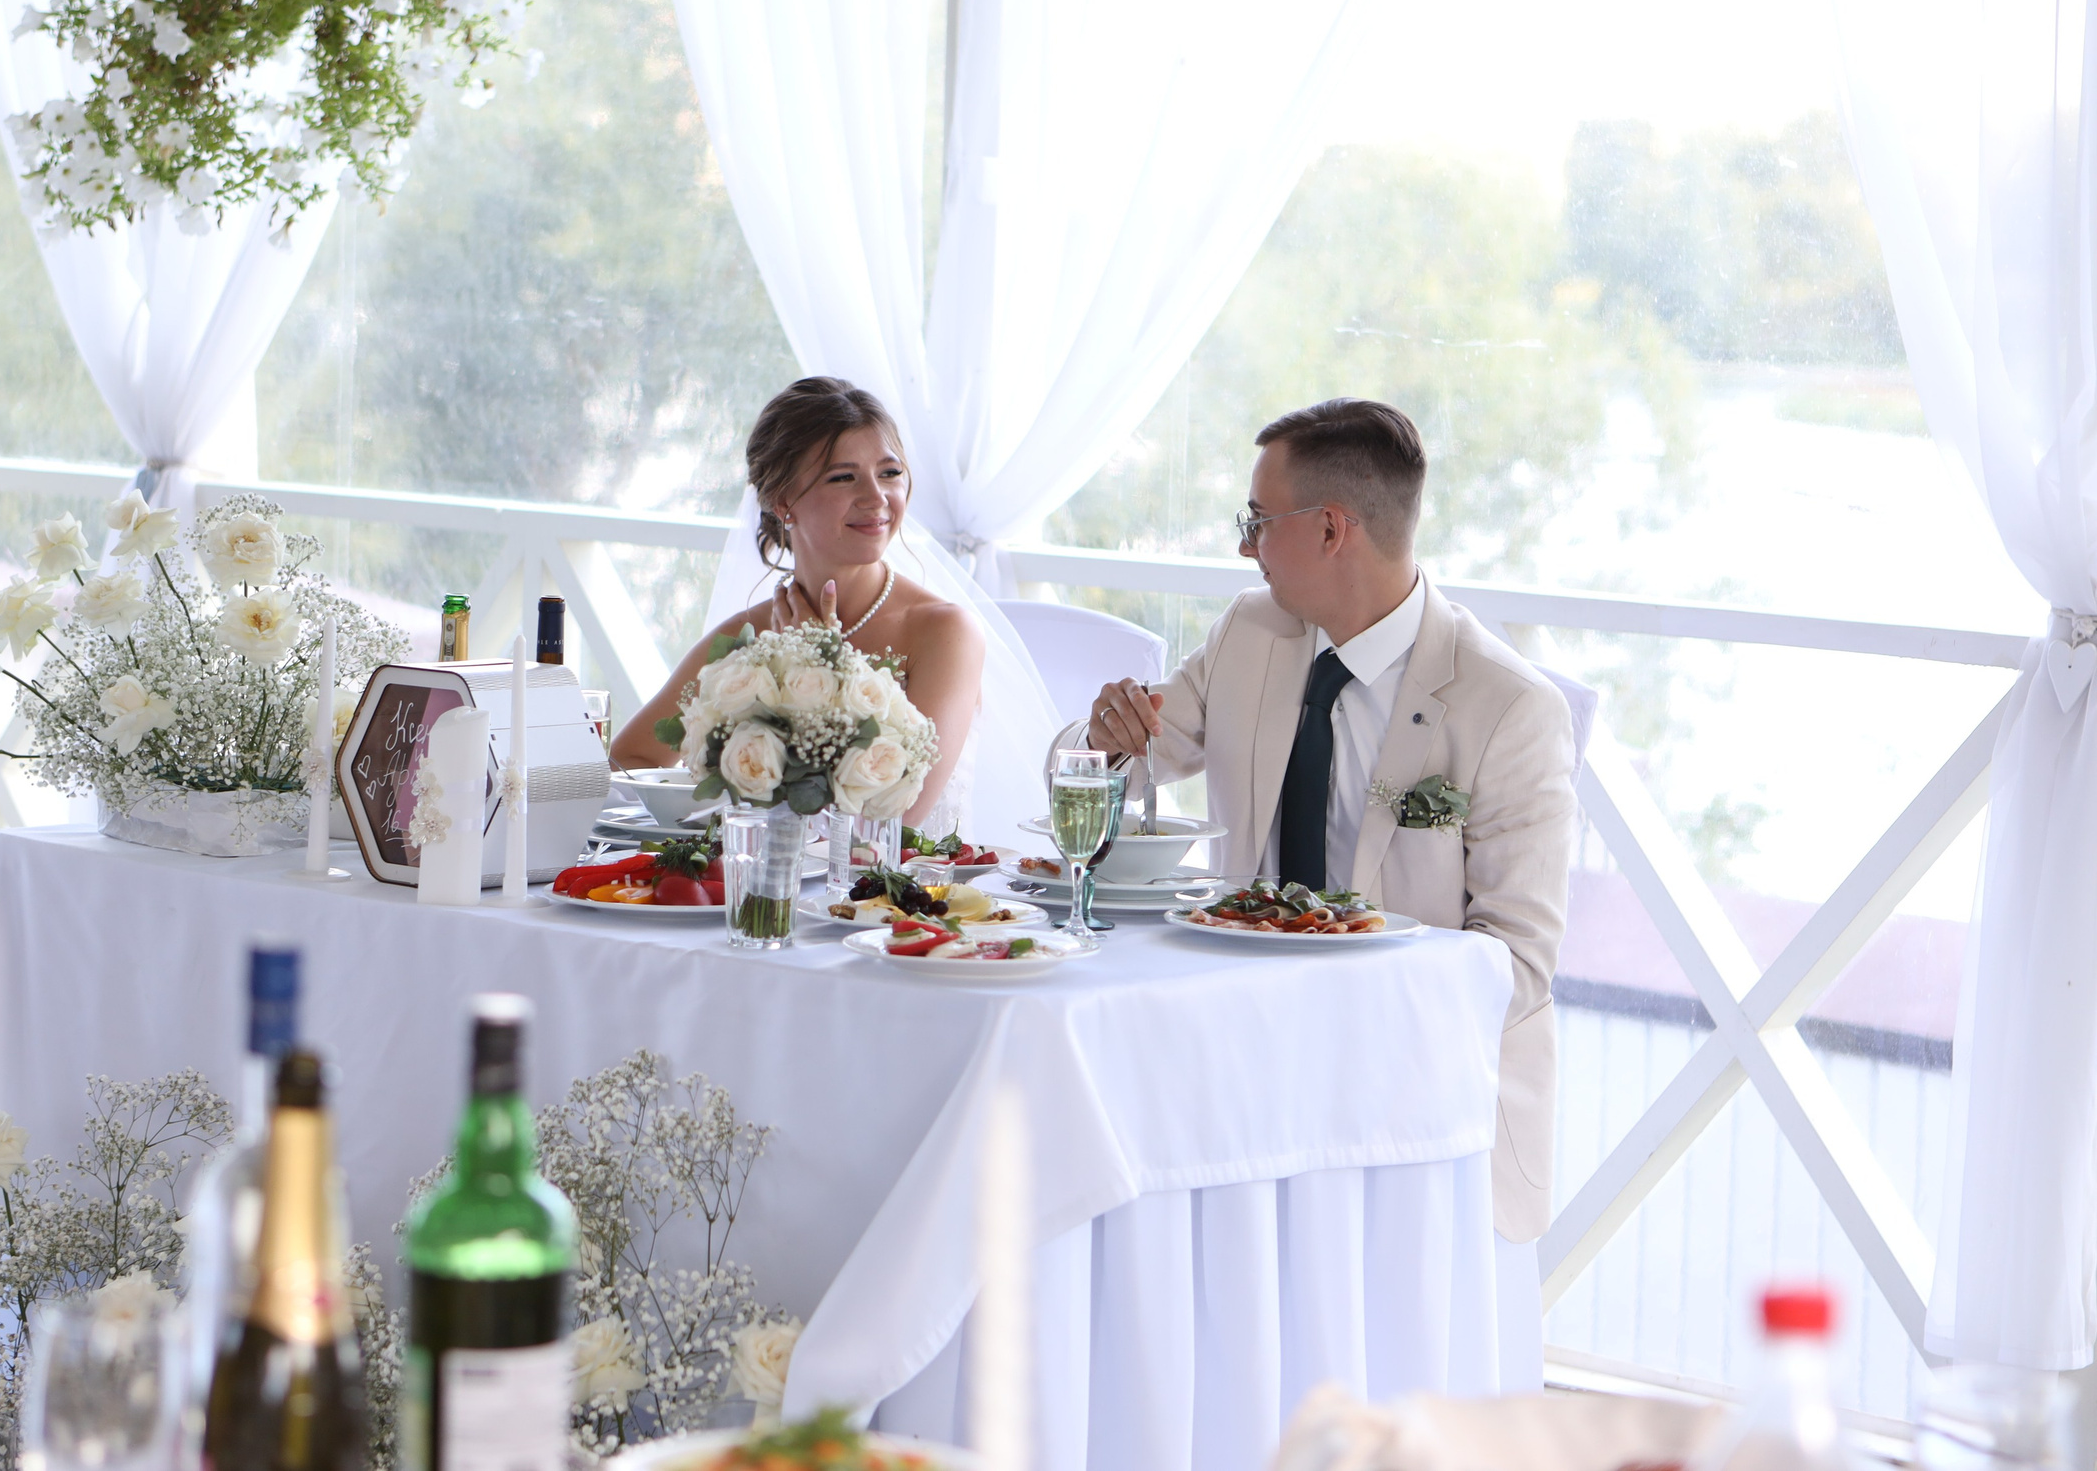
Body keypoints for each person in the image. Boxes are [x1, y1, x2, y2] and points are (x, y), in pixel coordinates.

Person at [1066, 397, 1574, 1374]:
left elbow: (1517, 965)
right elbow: (1140, 754)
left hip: (1420, 1100)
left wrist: (1347, 963)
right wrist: (1106, 732)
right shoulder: (1254, 634)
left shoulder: (1508, 706)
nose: (1248, 549)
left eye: (1257, 522)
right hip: (1240, 1054)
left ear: (1331, 528)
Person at [612, 377, 986, 830]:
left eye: (890, 473)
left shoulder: (945, 632)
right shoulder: (746, 635)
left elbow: (897, 824)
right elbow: (629, 759)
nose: (876, 498)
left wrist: (823, 665)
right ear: (783, 500)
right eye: (844, 477)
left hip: (905, 896)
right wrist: (720, 829)